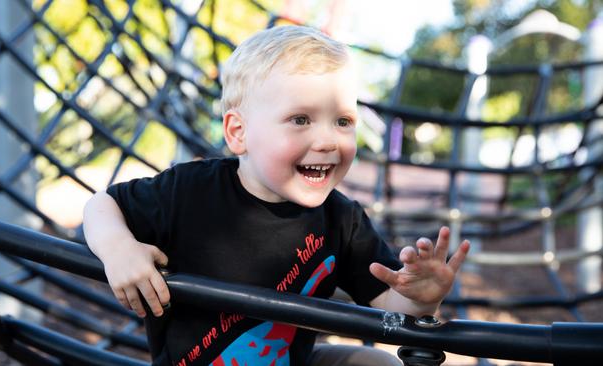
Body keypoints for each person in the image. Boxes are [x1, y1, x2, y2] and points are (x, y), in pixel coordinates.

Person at [83, 25, 470, 366]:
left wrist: (420, 299)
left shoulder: (343, 220)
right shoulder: (189, 191)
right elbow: (102, 204)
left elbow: (387, 308)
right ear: (238, 133)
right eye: (300, 119)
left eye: (343, 121)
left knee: (374, 361)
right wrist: (118, 247)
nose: (327, 140)